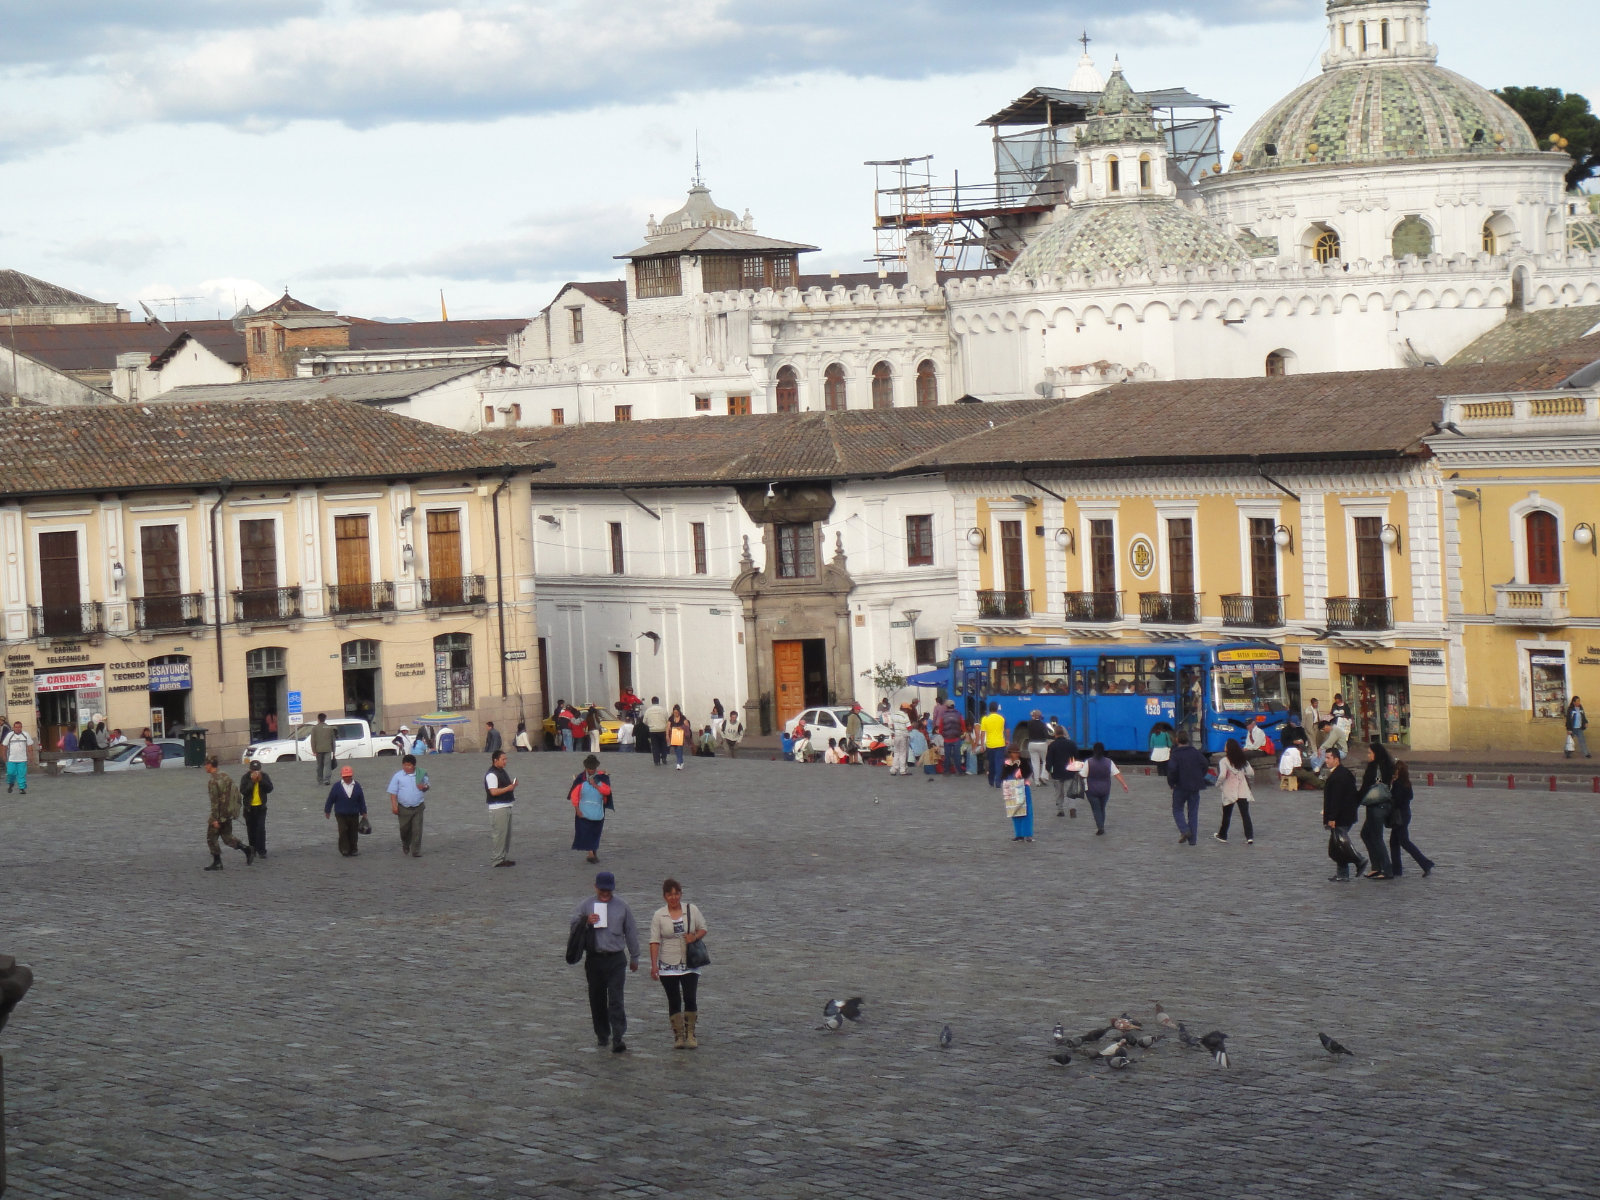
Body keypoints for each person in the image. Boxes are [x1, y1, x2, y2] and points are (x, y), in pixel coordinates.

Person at [572, 871, 640, 1053]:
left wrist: (635, 956)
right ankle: (602, 1033)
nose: (605, 894)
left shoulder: (622, 906)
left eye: (608, 891)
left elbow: (631, 931)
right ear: (595, 887)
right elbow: (573, 925)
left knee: (616, 998)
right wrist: (586, 921)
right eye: (602, 890)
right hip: (594, 958)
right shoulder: (586, 905)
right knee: (597, 998)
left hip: (616, 958)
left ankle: (618, 1036)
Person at [650, 878, 708, 1050]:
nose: (673, 898)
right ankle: (679, 1035)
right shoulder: (659, 915)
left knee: (690, 997)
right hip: (668, 962)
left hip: (689, 961)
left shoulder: (691, 910)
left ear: (680, 894)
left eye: (676, 894)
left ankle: (690, 1033)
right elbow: (654, 941)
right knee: (674, 999)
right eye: (670, 894)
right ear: (664, 896)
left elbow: (703, 928)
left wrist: (695, 937)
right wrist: (654, 965)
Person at [1322, 748, 1366, 882]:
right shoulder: (1343, 773)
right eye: (1326, 757)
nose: (1326, 760)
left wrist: (1332, 818)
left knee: (1341, 844)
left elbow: (1337, 799)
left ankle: (1359, 860)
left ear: (1336, 759)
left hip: (1341, 816)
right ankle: (1343, 873)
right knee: (1337, 847)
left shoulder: (1339, 776)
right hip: (1345, 814)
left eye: (1328, 758)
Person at [203, 756, 253, 870]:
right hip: (228, 813)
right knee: (227, 837)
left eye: (206, 764)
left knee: (211, 837)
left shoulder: (213, 781)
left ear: (210, 765)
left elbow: (215, 802)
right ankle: (246, 849)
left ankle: (217, 862)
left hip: (219, 815)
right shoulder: (225, 776)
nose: (205, 766)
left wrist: (215, 819)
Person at [1387, 759, 1434, 878]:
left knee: (1404, 842)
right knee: (1394, 842)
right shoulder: (1406, 782)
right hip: (1405, 814)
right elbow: (1410, 796)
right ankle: (1397, 869)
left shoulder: (1398, 784)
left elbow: (1396, 800)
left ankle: (1425, 863)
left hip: (1400, 816)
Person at [1356, 740, 1395, 880]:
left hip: (1378, 806)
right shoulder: (1384, 765)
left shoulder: (1376, 767)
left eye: (1369, 752)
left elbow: (1367, 786)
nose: (1368, 755)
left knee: (1377, 837)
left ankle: (1386, 869)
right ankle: (1376, 866)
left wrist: (1356, 799)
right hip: (1376, 805)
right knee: (1366, 834)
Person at [1076, 742, 1128, 835]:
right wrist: (1124, 784)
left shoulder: (1089, 762)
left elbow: (1082, 775)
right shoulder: (1109, 762)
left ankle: (1100, 827)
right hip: (1105, 790)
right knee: (1102, 808)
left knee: (1096, 809)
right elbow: (1117, 773)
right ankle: (1101, 824)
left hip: (1091, 790)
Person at [569, 754, 613, 864]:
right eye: (589, 768)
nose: (591, 770)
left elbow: (607, 791)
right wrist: (577, 809)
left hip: (597, 812)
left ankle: (593, 851)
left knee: (595, 833)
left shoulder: (602, 778)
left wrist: (596, 785)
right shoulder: (580, 779)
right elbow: (574, 795)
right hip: (584, 811)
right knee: (586, 833)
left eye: (593, 768)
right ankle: (590, 853)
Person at [1167, 732, 1209, 846]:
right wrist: (1200, 775)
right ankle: (1193, 840)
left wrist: (1172, 782)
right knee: (1193, 812)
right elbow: (1205, 764)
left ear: (1177, 740)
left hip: (1180, 786)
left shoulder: (1175, 754)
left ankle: (1185, 830)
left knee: (1177, 809)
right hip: (1195, 785)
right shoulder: (1195, 752)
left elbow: (1172, 770)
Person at [1214, 738, 1255, 844]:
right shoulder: (1243, 760)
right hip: (1242, 789)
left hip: (1230, 790)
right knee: (1245, 814)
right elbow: (1251, 773)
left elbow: (1222, 775)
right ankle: (1249, 836)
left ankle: (1223, 835)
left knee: (1227, 814)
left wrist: (1218, 784)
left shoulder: (1224, 761)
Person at [388, 753, 429, 857]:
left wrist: (423, 787)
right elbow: (393, 792)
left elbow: (427, 785)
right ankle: (406, 843)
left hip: (418, 806)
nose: (407, 767)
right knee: (404, 829)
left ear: (414, 766)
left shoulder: (421, 773)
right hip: (403, 808)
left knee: (417, 829)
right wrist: (394, 805)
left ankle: (416, 850)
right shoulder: (398, 776)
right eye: (405, 765)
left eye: (409, 765)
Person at [323, 764, 367, 858]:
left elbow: (361, 800)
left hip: (354, 813)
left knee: (353, 832)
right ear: (342, 776)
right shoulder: (336, 787)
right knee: (343, 831)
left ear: (352, 776)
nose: (347, 778)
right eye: (345, 776)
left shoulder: (357, 786)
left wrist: (364, 812)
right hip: (340, 814)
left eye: (349, 776)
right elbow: (330, 799)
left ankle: (354, 849)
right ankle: (344, 849)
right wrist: (327, 810)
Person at [485, 749, 517, 867]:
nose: (505, 761)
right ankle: (497, 859)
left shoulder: (502, 772)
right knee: (499, 835)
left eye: (506, 759)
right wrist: (509, 788)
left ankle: (502, 857)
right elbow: (493, 792)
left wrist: (511, 787)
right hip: (498, 808)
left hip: (506, 805)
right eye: (503, 759)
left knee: (506, 835)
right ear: (495, 760)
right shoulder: (492, 774)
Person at [999, 744, 1034, 842]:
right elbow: (1003, 776)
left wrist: (1019, 768)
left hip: (1023, 787)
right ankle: (1019, 834)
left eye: (1017, 752)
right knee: (1014, 811)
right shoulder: (1006, 763)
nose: (1017, 754)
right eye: (1014, 752)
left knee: (1026, 811)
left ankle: (1028, 834)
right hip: (1011, 788)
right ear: (1010, 753)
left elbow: (1028, 772)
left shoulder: (1024, 761)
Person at [240, 760, 274, 859]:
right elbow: (243, 791)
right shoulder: (245, 778)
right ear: (250, 770)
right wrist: (252, 782)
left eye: (257, 770)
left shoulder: (264, 776)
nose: (255, 772)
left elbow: (270, 789)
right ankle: (253, 849)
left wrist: (261, 781)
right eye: (253, 770)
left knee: (261, 829)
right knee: (251, 830)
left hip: (261, 807)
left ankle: (262, 850)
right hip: (249, 808)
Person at [1044, 725, 1079, 817]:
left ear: (1055, 734)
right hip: (1069, 771)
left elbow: (1049, 760)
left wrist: (1048, 770)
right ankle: (1072, 808)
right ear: (1064, 733)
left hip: (1057, 772)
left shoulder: (1052, 745)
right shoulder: (1071, 744)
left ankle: (1060, 809)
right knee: (1070, 791)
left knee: (1059, 792)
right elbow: (1076, 757)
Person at [979, 702, 1007, 788]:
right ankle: (998, 782)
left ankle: (991, 781)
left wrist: (982, 745)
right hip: (1000, 743)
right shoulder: (1001, 718)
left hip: (990, 745)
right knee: (999, 764)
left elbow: (983, 733)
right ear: (997, 709)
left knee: (991, 764)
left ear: (989, 709)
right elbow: (1003, 730)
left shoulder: (985, 719)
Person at [4, 720, 35, 794]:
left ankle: (22, 788)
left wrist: (31, 756)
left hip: (22, 759)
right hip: (11, 759)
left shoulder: (25, 735)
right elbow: (4, 745)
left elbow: (30, 746)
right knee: (10, 773)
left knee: (21, 774)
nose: (17, 729)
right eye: (16, 727)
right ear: (13, 728)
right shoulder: (9, 735)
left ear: (21, 728)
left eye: (19, 727)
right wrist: (4, 755)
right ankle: (11, 783)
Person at [937, 701, 965, 776]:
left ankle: (946, 771)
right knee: (957, 755)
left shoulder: (943, 715)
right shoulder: (958, 714)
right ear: (953, 706)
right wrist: (962, 733)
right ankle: (959, 771)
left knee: (947, 755)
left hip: (947, 739)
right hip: (956, 738)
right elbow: (963, 725)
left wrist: (944, 735)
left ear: (947, 706)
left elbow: (940, 729)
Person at [1022, 709, 1051, 784]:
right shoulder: (1043, 724)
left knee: (1035, 763)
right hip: (1042, 744)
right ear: (1040, 716)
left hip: (1032, 744)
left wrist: (1033, 715)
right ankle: (1043, 776)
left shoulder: (1029, 723)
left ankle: (1037, 781)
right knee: (1045, 761)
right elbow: (1046, 735)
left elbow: (1031, 717)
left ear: (1033, 716)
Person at [309, 714, 336, 786]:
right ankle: (327, 779)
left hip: (318, 749)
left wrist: (313, 750)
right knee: (327, 765)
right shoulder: (329, 728)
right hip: (328, 749)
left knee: (319, 765)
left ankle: (320, 779)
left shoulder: (314, 728)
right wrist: (334, 750)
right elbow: (333, 740)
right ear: (325, 719)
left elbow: (312, 740)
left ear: (318, 719)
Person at [643, 697, 669, 765]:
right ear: (658, 701)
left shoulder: (648, 710)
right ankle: (664, 758)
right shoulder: (663, 710)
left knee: (655, 746)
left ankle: (656, 761)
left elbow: (644, 721)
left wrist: (650, 724)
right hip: (662, 729)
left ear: (652, 702)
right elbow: (667, 720)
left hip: (653, 730)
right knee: (663, 745)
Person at [888, 704, 912, 776]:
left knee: (896, 753)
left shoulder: (894, 715)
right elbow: (909, 728)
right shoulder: (905, 716)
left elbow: (890, 725)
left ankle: (893, 770)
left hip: (896, 735)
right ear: (905, 709)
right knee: (903, 753)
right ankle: (902, 770)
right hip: (903, 736)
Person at [667, 705, 692, 769]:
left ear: (679, 712)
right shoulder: (671, 718)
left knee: (679, 749)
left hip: (681, 736)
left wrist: (681, 727)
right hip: (673, 736)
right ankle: (681, 761)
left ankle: (678, 763)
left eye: (677, 713)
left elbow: (687, 727)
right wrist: (667, 735)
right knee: (676, 750)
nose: (676, 714)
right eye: (674, 713)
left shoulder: (683, 718)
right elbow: (668, 727)